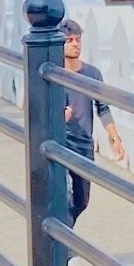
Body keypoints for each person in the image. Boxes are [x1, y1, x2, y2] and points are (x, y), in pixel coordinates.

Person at [59, 21, 100, 220]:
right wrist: (59, 118)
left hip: (84, 143)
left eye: (78, 40)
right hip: (61, 141)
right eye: (69, 40)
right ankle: (62, 238)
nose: (75, 44)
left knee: (81, 200)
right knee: (63, 197)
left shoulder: (92, 74)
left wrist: (114, 137)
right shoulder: (53, 73)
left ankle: (64, 232)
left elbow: (103, 106)